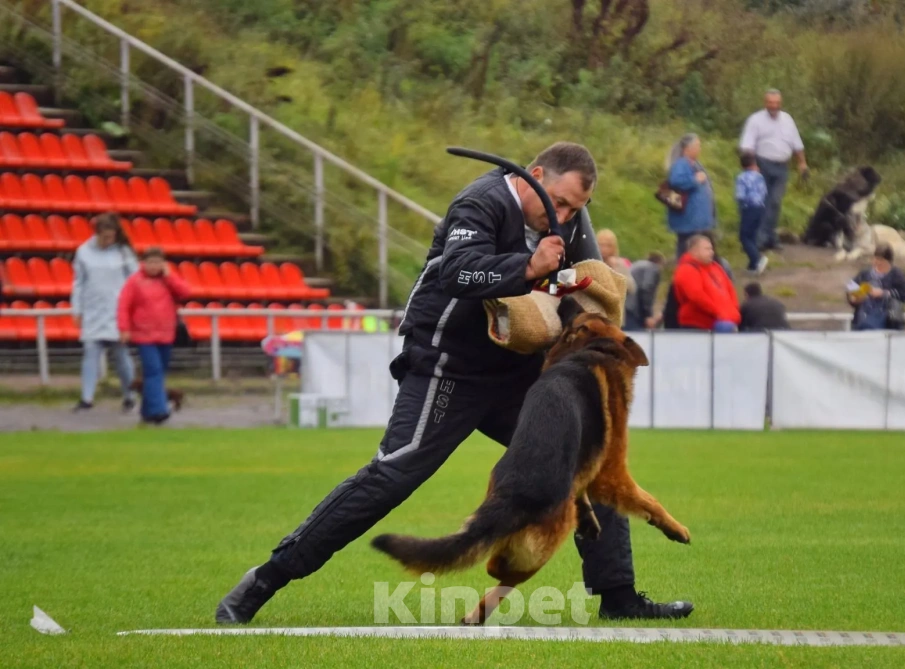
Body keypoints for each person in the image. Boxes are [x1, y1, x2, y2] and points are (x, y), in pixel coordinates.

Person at [215, 142, 694, 625]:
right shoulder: (480, 202)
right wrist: (529, 268)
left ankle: (618, 595)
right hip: (448, 366)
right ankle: (266, 580)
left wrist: (596, 294)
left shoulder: (569, 221)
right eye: (560, 202)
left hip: (518, 372)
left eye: (576, 208)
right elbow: (457, 270)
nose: (564, 216)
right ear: (534, 175)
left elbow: (594, 296)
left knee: (587, 454)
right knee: (393, 475)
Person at [70, 212, 139, 412]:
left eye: (111, 236)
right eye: (105, 236)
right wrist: (77, 309)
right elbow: (79, 283)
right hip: (93, 310)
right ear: (97, 233)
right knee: (91, 353)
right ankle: (87, 397)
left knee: (121, 355)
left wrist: (133, 309)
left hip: (118, 310)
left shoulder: (124, 252)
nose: (108, 240)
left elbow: (134, 281)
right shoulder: (83, 251)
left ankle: (130, 395)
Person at [117, 247, 191, 424]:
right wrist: (124, 328)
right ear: (143, 263)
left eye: (158, 262)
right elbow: (123, 306)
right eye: (151, 262)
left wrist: (170, 276)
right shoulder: (134, 282)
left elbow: (186, 293)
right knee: (153, 371)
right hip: (144, 334)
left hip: (166, 333)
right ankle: (159, 409)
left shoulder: (167, 280)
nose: (154, 266)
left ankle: (147, 411)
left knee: (159, 372)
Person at [739, 89, 810, 252]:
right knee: (762, 201)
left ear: (781, 103)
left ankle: (769, 237)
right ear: (765, 103)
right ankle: (761, 239)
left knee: (775, 202)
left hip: (782, 166)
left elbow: (797, 144)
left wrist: (802, 164)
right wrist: (751, 166)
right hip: (762, 164)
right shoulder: (756, 120)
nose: (774, 106)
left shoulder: (787, 120)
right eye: (770, 103)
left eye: (776, 103)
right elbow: (747, 145)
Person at [672, 234, 740, 332]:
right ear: (694, 251)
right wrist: (718, 312)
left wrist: (734, 312)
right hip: (698, 325)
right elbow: (696, 296)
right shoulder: (687, 269)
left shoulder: (716, 267)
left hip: (724, 321)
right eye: (707, 249)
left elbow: (730, 289)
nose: (711, 252)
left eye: (711, 249)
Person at [665, 133, 716, 259]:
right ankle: (683, 270)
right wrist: (695, 180)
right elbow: (676, 181)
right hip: (688, 217)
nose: (700, 148)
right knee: (686, 244)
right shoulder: (681, 164)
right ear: (688, 148)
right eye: (698, 145)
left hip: (694, 218)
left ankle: (693, 268)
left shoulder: (693, 163)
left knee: (692, 244)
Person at [846, 243, 905, 331]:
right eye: (875, 259)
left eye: (881, 260)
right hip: (863, 319)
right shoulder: (865, 273)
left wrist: (884, 293)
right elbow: (851, 286)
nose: (877, 262)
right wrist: (855, 297)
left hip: (888, 322)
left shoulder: (897, 275)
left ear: (888, 260)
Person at [735, 153, 768, 274]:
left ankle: (758, 258)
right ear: (754, 164)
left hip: (748, 208)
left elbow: (740, 195)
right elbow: (764, 192)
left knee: (744, 236)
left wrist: (740, 207)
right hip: (760, 207)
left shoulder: (742, 177)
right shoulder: (759, 176)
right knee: (752, 235)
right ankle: (753, 265)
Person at [624, 251, 664, 331]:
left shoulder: (637, 264)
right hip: (634, 310)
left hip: (625, 305)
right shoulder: (653, 268)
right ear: (659, 263)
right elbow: (646, 289)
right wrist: (648, 315)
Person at [596, 228, 636, 295]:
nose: (604, 249)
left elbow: (631, 287)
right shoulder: (591, 261)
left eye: (608, 246)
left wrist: (616, 270)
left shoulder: (619, 263)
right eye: (601, 245)